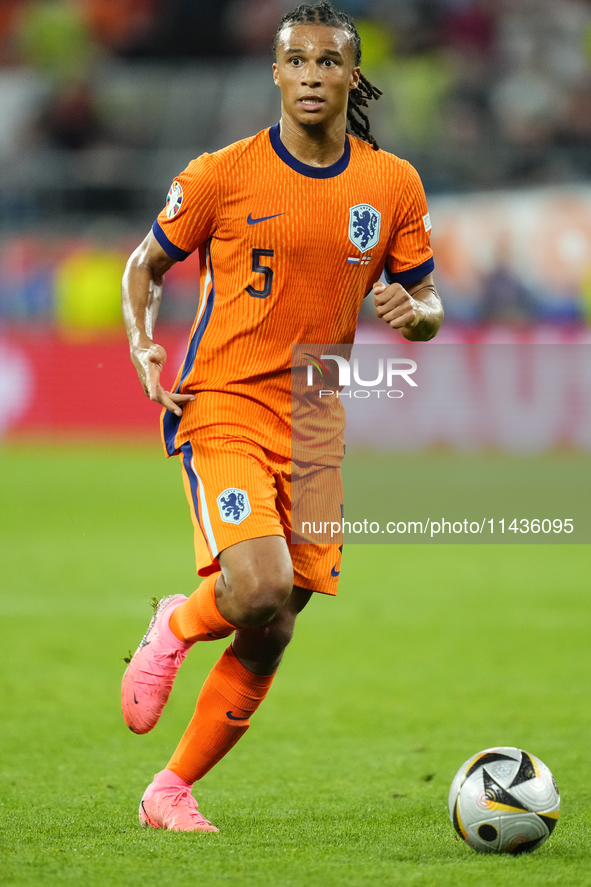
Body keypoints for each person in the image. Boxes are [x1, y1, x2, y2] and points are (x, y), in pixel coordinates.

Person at [120, 0, 443, 833]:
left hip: (313, 419)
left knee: (274, 626)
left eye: (327, 62)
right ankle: (176, 621)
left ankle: (171, 790)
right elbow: (144, 264)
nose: (310, 75)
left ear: (352, 76)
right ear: (274, 73)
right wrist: (142, 344)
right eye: (295, 60)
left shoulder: (390, 183)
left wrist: (419, 314)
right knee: (255, 589)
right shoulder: (220, 173)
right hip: (222, 402)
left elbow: (427, 295)